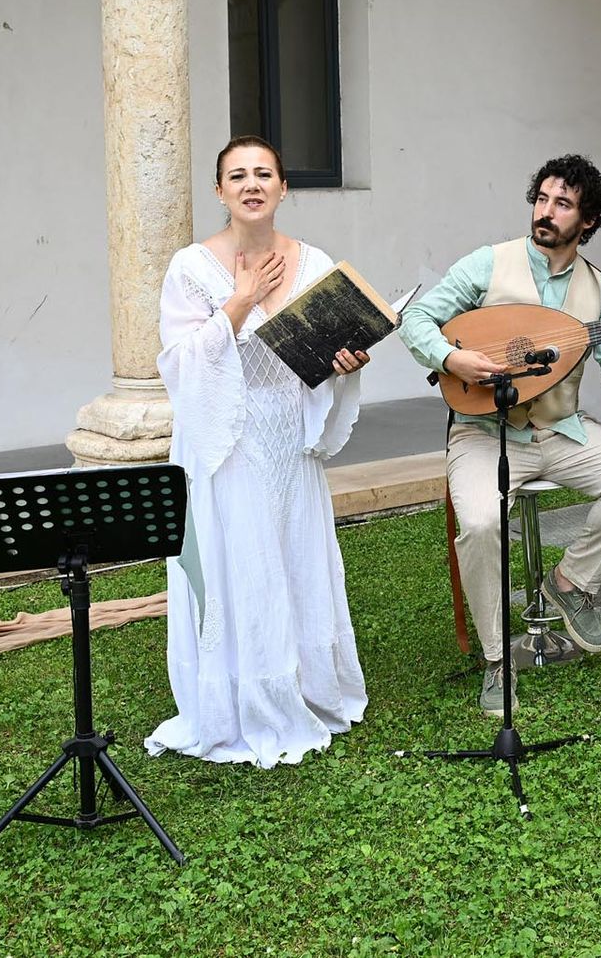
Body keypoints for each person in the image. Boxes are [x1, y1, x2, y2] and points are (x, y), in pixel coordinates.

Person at [400, 154, 601, 716]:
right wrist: (454, 358)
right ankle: (499, 661)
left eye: (563, 204)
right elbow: (418, 318)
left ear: (587, 221)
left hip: (560, 430)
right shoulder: (488, 263)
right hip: (482, 432)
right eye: (542, 199)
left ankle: (569, 584)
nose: (546, 212)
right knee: (478, 522)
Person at [145, 136, 371, 767]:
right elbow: (181, 364)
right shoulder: (190, 267)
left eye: (263, 174)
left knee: (294, 561)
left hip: (288, 439)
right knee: (241, 566)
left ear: (282, 188)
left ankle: (306, 688)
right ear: (219, 191)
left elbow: (322, 357)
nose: (251, 184)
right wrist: (240, 302)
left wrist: (345, 362)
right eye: (237, 175)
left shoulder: (315, 261)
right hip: (228, 444)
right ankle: (242, 702)